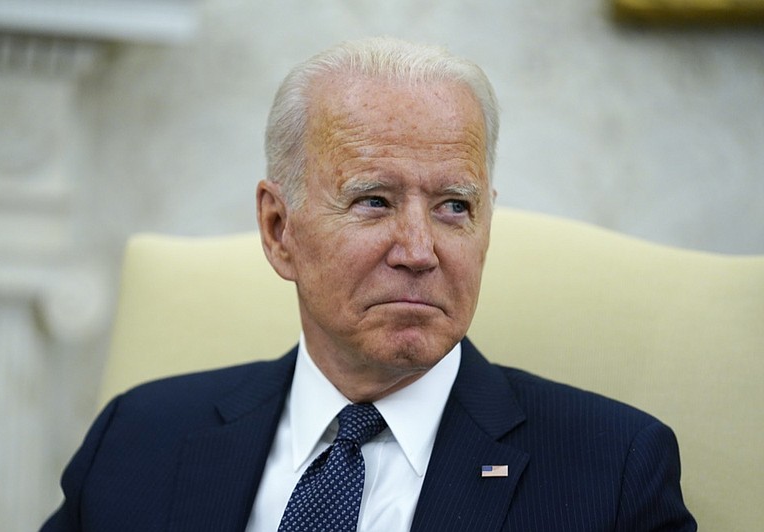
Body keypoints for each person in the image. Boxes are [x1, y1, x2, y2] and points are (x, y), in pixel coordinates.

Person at [41, 37, 696, 531]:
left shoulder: (612, 473)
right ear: (278, 230)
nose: (419, 251)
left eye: (454, 207)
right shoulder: (138, 439)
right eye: (374, 201)